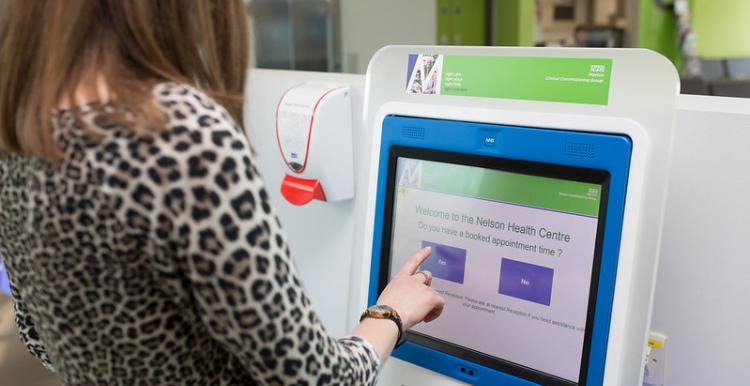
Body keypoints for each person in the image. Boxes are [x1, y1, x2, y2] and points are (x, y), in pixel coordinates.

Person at [0, 1, 445, 385]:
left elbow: (41, 338)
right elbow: (318, 380)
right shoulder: (180, 135)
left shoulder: (21, 128)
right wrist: (390, 313)